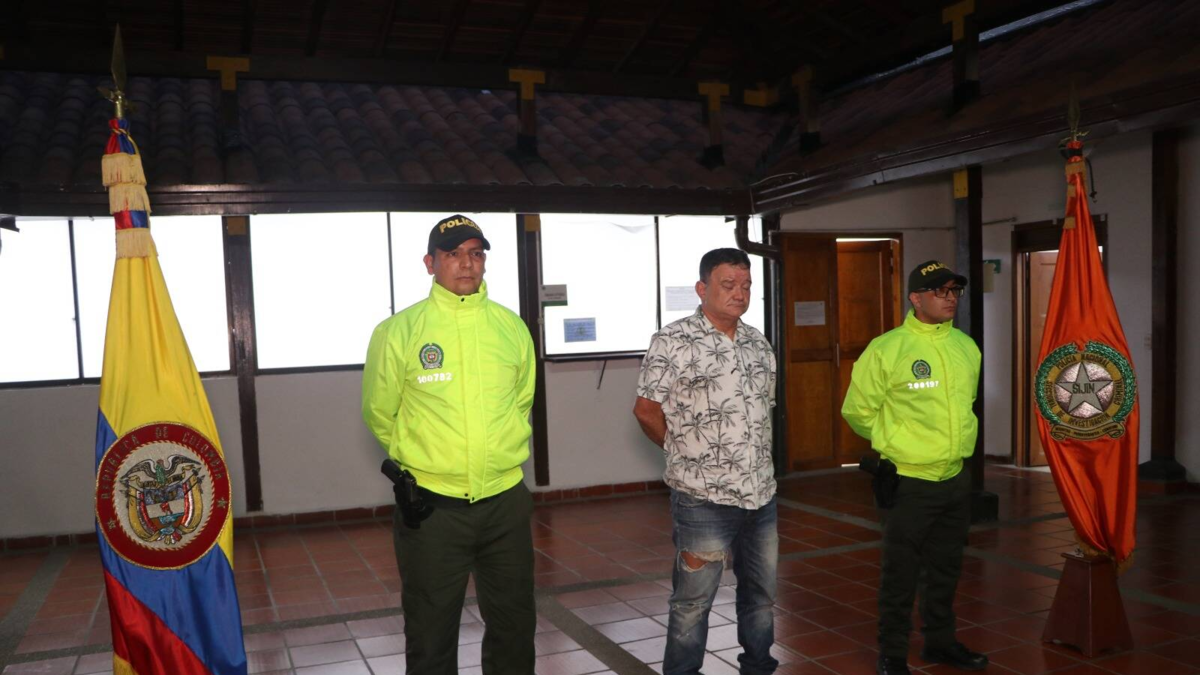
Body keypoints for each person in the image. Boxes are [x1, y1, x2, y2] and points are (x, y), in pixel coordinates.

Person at [362, 214, 536, 675]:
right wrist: (428, 460)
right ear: (430, 263)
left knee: (515, 626)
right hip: (432, 509)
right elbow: (380, 413)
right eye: (453, 254)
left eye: (475, 253)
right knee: (430, 632)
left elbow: (521, 403)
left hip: (504, 503)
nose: (467, 263)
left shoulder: (510, 327)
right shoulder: (399, 332)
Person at [634, 248, 779, 675]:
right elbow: (646, 410)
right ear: (702, 289)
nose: (739, 294)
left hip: (761, 497)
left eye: (746, 285)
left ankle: (758, 666)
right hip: (703, 498)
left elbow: (762, 414)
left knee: (761, 598)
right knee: (692, 603)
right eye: (728, 285)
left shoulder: (757, 343)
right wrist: (681, 451)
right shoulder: (673, 340)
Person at [841, 260, 988, 675]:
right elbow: (857, 411)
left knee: (946, 567)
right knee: (900, 573)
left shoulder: (966, 347)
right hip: (909, 481)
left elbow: (966, 405)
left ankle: (940, 643)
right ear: (916, 299)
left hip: (955, 477)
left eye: (954, 291)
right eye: (940, 291)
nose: (950, 299)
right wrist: (896, 441)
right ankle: (892, 653)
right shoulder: (887, 349)